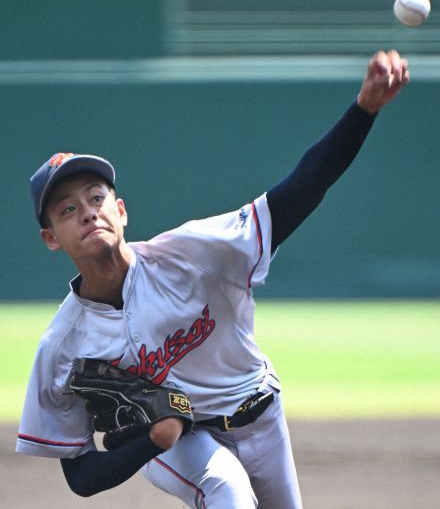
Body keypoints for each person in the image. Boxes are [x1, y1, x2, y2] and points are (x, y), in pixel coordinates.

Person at [16, 50, 409, 508]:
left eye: (96, 197)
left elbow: (300, 190)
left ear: (120, 211)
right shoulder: (62, 345)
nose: (87, 212)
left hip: (262, 414)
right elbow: (81, 476)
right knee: (228, 493)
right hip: (184, 445)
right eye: (67, 209)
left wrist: (363, 111)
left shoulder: (191, 254)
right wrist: (154, 441)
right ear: (51, 238)